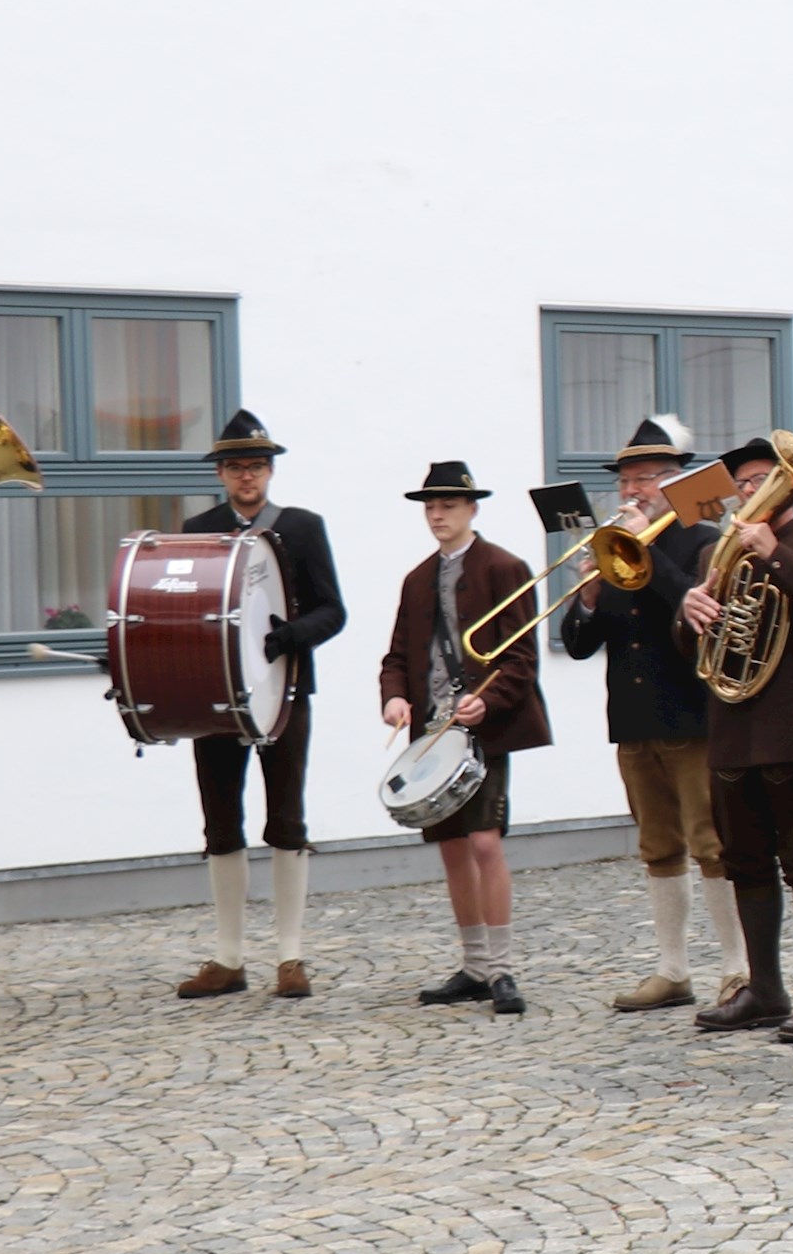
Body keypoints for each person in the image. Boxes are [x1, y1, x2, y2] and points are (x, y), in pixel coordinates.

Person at [678, 437, 793, 1042]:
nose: (752, 490)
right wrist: (688, 612)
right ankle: (764, 990)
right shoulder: (720, 551)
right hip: (734, 725)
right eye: (744, 482)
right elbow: (698, 647)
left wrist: (776, 555)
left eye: (764, 478)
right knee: (745, 862)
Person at [558, 414, 744, 1012]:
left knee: (710, 844)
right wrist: (587, 597)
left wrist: (642, 550)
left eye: (645, 479)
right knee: (657, 846)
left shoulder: (702, 540)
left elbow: (697, 612)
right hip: (634, 719)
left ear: (673, 482)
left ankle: (737, 969)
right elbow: (584, 643)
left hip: (689, 715)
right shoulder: (610, 552)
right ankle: (673, 970)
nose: (632, 491)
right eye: (626, 482)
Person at [170, 410, 343, 1003]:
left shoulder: (302, 527)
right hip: (214, 694)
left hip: (284, 693)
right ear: (221, 473)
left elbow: (333, 611)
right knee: (220, 824)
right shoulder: (198, 528)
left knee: (287, 821)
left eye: (258, 466)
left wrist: (293, 634)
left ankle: (290, 957)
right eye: (237, 466)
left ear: (270, 471)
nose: (248, 476)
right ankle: (228, 958)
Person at [377, 459, 553, 1014]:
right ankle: (474, 966)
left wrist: (488, 701)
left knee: (484, 842)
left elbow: (522, 659)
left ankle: (501, 968)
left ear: (471, 508)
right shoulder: (415, 578)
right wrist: (395, 696)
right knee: (453, 847)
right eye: (430, 507)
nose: (437, 515)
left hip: (485, 727)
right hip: (432, 731)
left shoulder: (506, 567)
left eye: (447, 505)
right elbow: (398, 656)